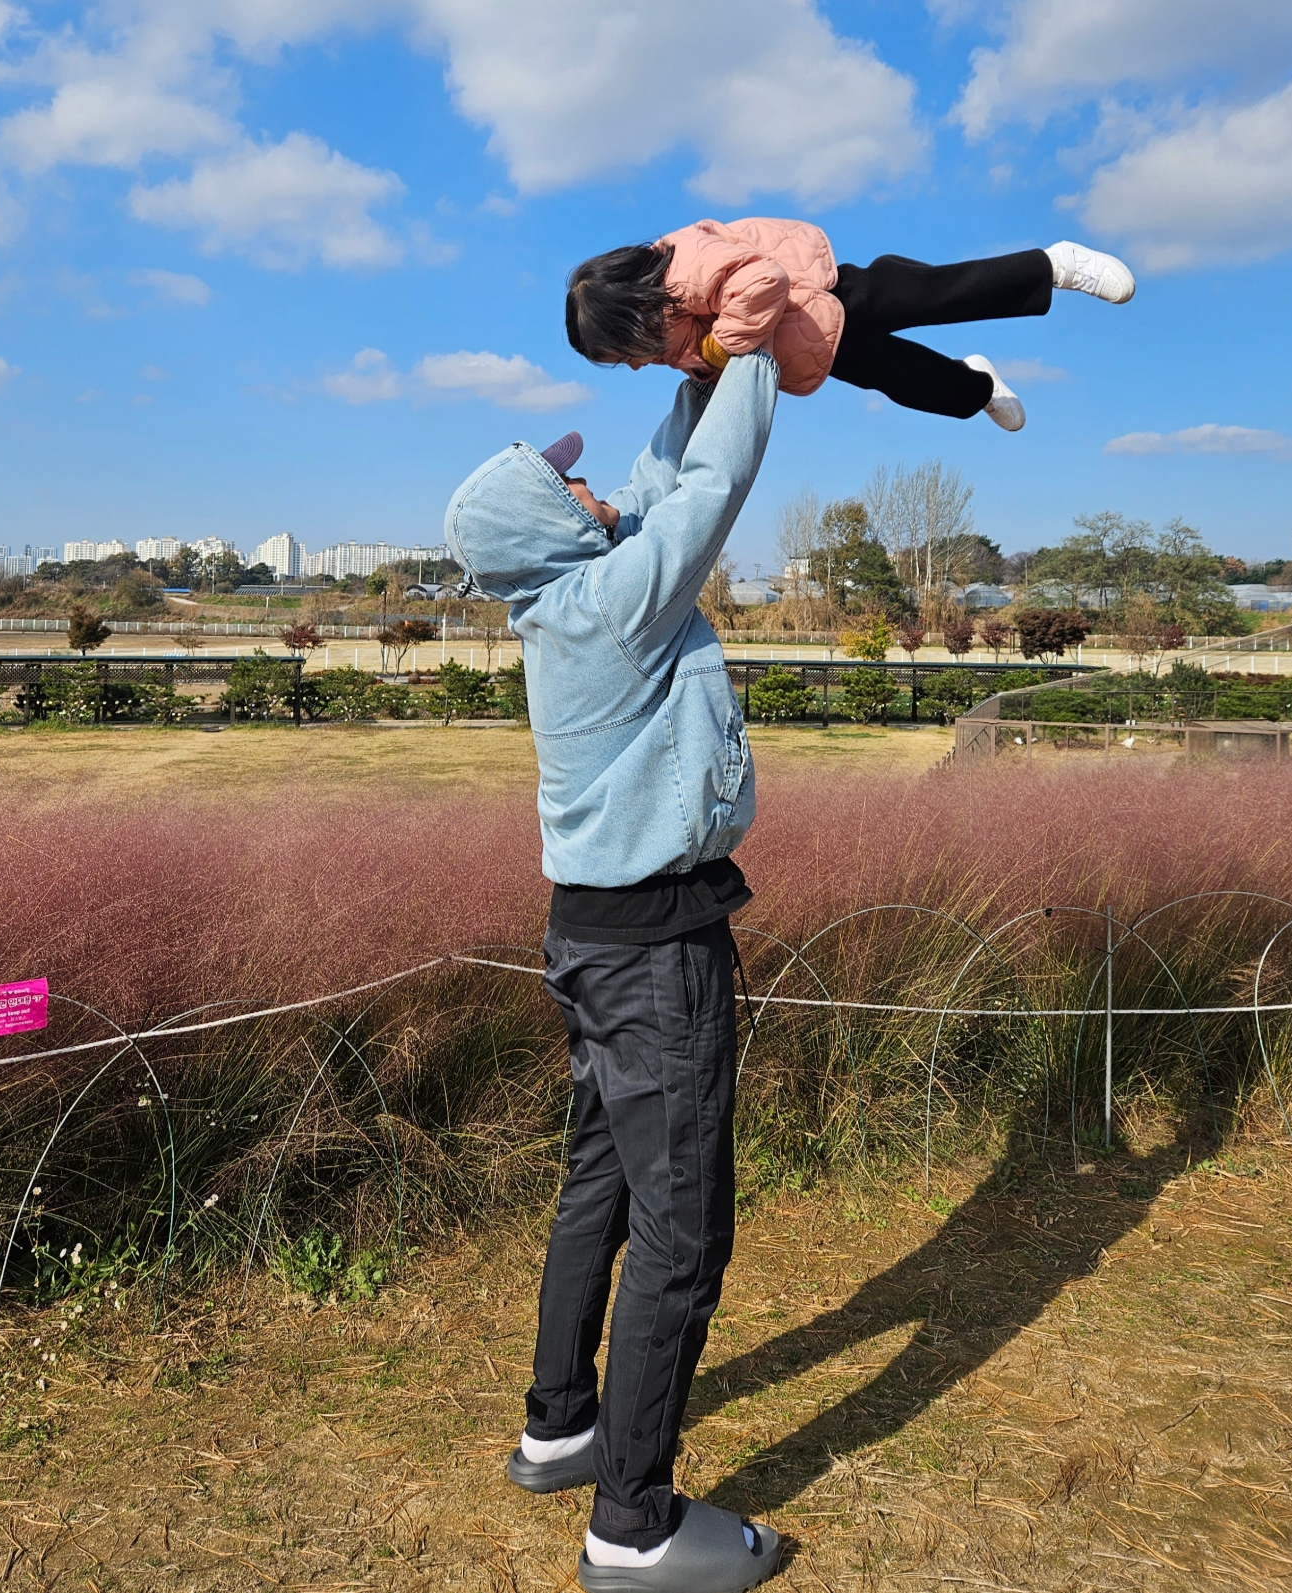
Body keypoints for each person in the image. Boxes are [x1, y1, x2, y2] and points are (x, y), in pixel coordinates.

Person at [443, 351, 783, 1592]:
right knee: (683, 1231)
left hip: (590, 937)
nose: (591, 492)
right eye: (566, 486)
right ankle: (631, 1525)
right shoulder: (610, 602)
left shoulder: (574, 591)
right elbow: (711, 489)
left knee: (601, 1182)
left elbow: (656, 476)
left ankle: (560, 1424)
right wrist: (751, 351)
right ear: (547, 524)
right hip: (653, 954)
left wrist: (692, 373)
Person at [565, 219, 1134, 433]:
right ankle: (979, 384)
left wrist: (718, 350)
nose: (635, 365)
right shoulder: (664, 337)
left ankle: (1055, 265)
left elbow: (760, 280)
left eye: (623, 354)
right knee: (910, 381)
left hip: (830, 290)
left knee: (940, 294)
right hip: (816, 344)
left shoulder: (682, 264)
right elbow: (716, 361)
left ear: (630, 311)